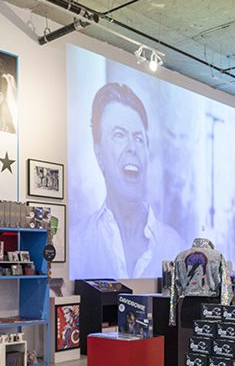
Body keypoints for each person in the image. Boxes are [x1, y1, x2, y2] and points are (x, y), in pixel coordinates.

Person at [72, 83, 185, 279]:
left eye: (139, 138)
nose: (132, 147)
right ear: (99, 154)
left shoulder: (174, 246)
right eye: (119, 135)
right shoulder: (77, 244)